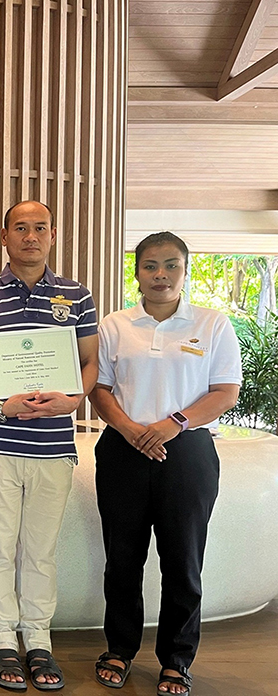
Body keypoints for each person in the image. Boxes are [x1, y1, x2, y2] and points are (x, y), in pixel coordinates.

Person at [89, 232, 241, 696]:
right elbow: (99, 389)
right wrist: (131, 430)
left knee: (183, 561)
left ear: (185, 269)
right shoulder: (115, 325)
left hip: (187, 453)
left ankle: (176, 659)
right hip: (123, 450)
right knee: (123, 560)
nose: (160, 275)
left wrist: (174, 423)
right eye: (151, 266)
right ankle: (119, 650)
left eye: (171, 265)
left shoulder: (213, 325)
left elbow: (224, 392)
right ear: (137, 271)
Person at [0, 200, 98, 691]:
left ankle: (38, 640)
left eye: (40, 228)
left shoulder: (76, 296)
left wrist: (73, 399)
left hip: (54, 445)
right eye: (21, 228)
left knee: (40, 550)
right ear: (4, 235)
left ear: (53, 235)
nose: (30, 236)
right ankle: (1, 641)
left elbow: (90, 361)